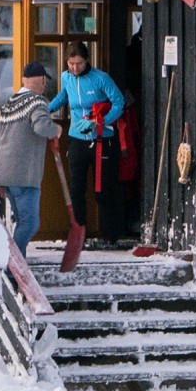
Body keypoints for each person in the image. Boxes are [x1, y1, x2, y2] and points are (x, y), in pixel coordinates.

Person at [47, 43, 128, 247]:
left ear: (87, 60)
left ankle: (110, 235)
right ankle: (78, 234)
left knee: (103, 190)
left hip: (102, 138)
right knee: (76, 189)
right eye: (71, 64)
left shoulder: (101, 78)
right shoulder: (66, 77)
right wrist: (45, 109)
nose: (75, 68)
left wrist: (101, 121)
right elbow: (64, 95)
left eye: (79, 64)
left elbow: (119, 102)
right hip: (77, 138)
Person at [0, 61, 58, 254]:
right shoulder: (37, 102)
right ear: (43, 81)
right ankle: (13, 267)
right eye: (45, 81)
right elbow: (42, 127)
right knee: (29, 224)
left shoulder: (9, 103)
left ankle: (17, 266)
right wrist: (57, 129)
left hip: (6, 173)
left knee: (21, 222)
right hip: (24, 175)